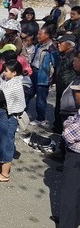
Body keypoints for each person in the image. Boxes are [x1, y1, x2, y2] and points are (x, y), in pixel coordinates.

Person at [0, 60, 26, 182]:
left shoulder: (15, 84)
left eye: (6, 71)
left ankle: (5, 174)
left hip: (8, 116)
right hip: (2, 112)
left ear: (15, 73)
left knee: (6, 144)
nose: (4, 73)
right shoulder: (9, 81)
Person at [57, 82, 80, 228]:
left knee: (70, 193)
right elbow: (69, 121)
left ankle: (67, 223)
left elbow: (69, 134)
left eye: (77, 92)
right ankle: (71, 219)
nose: (74, 95)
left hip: (76, 155)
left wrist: (67, 128)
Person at [29, 27, 59, 128]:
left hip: (43, 76)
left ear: (47, 35)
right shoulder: (38, 45)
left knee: (40, 99)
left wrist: (52, 79)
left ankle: (41, 119)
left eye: (40, 34)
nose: (38, 36)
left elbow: (56, 65)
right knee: (28, 93)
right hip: (33, 73)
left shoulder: (51, 49)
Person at [53, 35, 77, 134]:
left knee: (66, 109)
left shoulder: (73, 56)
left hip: (68, 87)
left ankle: (65, 131)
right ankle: (57, 127)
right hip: (61, 85)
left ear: (69, 45)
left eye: (61, 43)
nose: (58, 45)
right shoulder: (63, 55)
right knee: (59, 106)